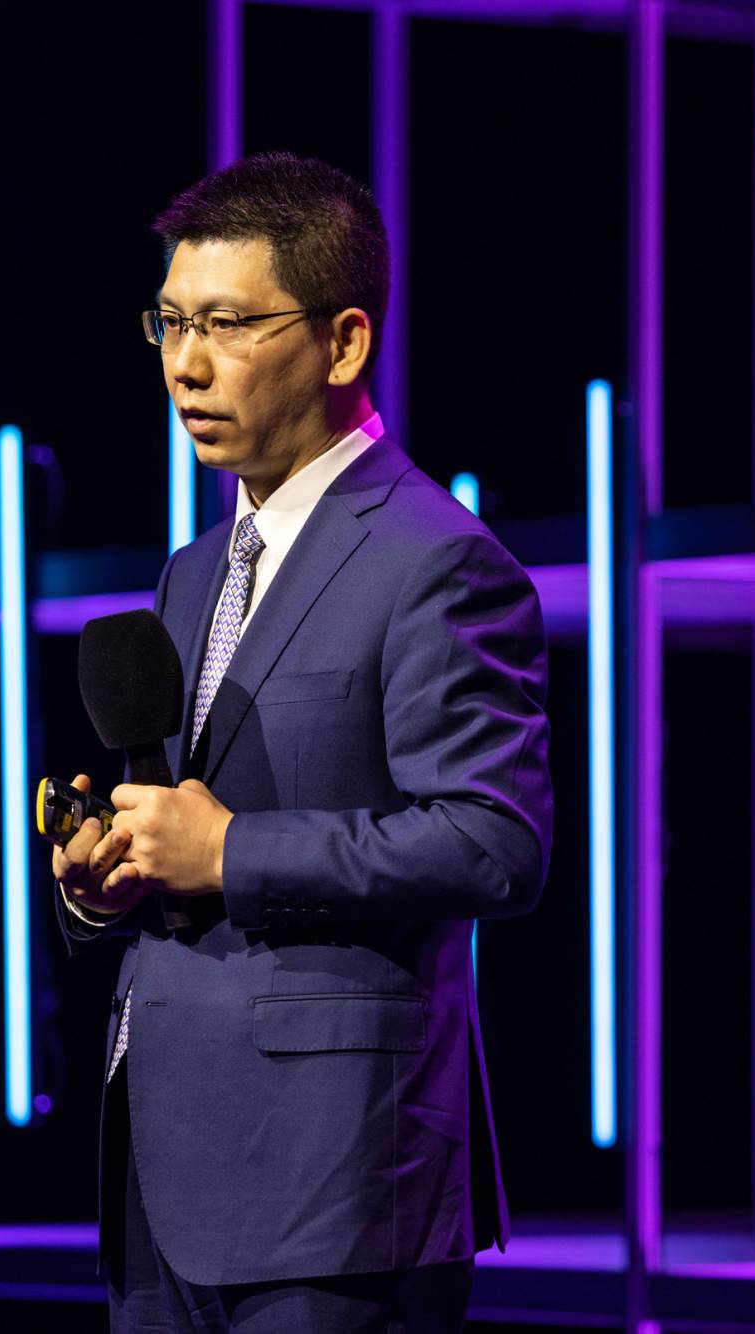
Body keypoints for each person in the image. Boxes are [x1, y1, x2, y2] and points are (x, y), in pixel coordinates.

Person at [51, 151, 553, 1332]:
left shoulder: (437, 560)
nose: (185, 363)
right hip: (159, 1169)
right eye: (171, 322)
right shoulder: (189, 572)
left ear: (342, 341)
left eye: (228, 324)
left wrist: (230, 852)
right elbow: (177, 828)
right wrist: (106, 877)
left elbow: (495, 842)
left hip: (336, 1191)